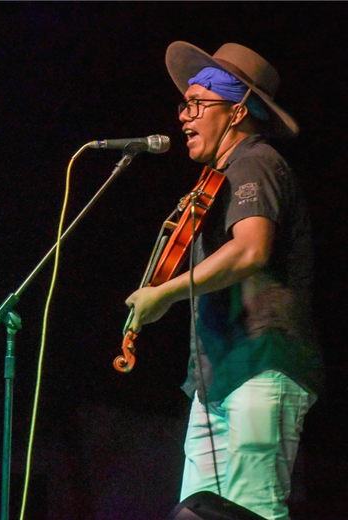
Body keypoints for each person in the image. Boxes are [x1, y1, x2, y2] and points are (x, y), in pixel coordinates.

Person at [124, 43, 325, 519]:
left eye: (197, 104)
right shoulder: (217, 179)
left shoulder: (255, 160)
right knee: (198, 517)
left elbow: (252, 248)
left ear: (236, 111)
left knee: (251, 512)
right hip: (218, 377)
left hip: (258, 366)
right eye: (184, 105)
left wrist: (167, 292)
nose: (183, 116)